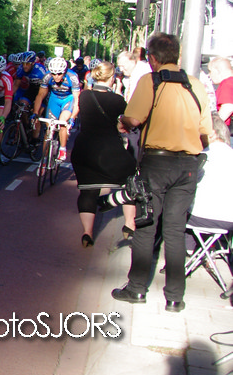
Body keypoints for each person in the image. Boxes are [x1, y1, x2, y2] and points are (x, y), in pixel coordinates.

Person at [112, 32, 213, 313]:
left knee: (146, 226)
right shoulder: (196, 85)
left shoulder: (151, 81)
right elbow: (206, 132)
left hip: (157, 163)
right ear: (177, 56)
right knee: (175, 230)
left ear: (153, 59)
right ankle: (174, 297)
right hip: (188, 165)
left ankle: (136, 289)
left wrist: (122, 120)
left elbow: (134, 119)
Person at [70, 61, 138, 247]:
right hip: (109, 150)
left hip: (85, 149)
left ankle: (87, 232)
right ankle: (129, 224)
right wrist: (119, 90)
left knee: (88, 191)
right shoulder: (117, 100)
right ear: (112, 78)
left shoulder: (85, 96)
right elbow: (125, 122)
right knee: (130, 181)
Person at [30, 56, 80, 161]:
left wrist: (73, 117)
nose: (56, 77)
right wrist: (35, 112)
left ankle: (62, 148)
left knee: (62, 122)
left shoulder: (72, 77)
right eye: (53, 73)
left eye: (59, 74)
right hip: (54, 99)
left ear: (65, 71)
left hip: (68, 99)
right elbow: (40, 95)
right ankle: (44, 160)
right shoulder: (47, 76)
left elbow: (77, 100)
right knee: (49, 129)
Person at [207, 56, 233, 129]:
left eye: (210, 71)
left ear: (217, 71)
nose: (209, 75)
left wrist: (214, 126)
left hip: (227, 128)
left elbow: (228, 107)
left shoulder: (227, 84)